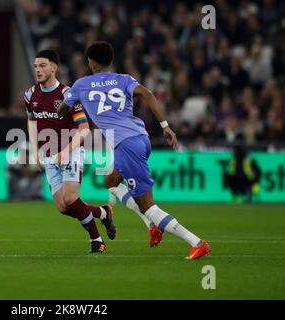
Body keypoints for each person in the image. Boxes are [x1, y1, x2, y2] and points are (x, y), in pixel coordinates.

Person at [58, 41, 211, 259]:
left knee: (148, 205)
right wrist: (166, 126)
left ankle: (197, 243)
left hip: (126, 145)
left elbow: (62, 110)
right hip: (141, 137)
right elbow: (148, 94)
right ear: (109, 61)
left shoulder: (82, 84)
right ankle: (152, 225)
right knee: (110, 182)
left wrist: (69, 102)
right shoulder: (124, 79)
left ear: (91, 63)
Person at [25, 49, 115, 253]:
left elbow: (84, 129)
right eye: (36, 66)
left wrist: (66, 152)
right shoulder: (30, 95)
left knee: (71, 198)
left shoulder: (68, 95)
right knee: (63, 207)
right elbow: (31, 120)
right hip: (48, 153)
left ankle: (97, 241)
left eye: (43, 65)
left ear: (54, 68)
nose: (38, 70)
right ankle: (103, 212)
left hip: (71, 151)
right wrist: (35, 150)